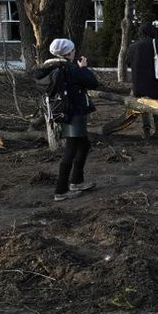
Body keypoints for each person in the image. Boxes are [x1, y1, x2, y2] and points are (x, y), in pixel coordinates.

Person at [34, 38, 99, 201]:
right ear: (68, 52)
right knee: (71, 150)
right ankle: (61, 190)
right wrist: (83, 68)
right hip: (74, 113)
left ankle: (77, 181)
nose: (75, 52)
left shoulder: (49, 67)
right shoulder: (70, 69)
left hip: (60, 111)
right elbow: (93, 82)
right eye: (73, 49)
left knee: (84, 145)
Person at [125, 22, 158, 138]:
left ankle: (146, 130)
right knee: (155, 104)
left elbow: (128, 62)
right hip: (153, 79)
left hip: (138, 80)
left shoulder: (133, 46)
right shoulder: (154, 44)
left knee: (143, 104)